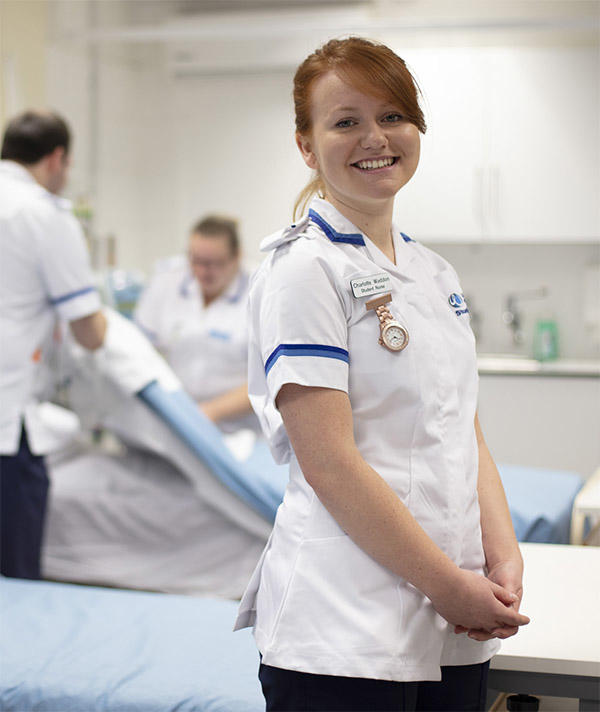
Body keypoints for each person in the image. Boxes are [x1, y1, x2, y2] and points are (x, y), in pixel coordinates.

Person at [234, 37, 529, 711]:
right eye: (345, 121)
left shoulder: (432, 273)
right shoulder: (303, 271)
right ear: (307, 146)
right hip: (345, 633)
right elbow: (330, 463)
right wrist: (451, 585)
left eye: (394, 115)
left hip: (453, 622)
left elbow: (464, 433)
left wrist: (502, 557)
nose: (376, 137)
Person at [0, 110, 107, 580]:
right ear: (57, 158)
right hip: (9, 421)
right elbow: (92, 332)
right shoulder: (43, 214)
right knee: (16, 585)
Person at [134, 215, 257, 432]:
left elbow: (269, 380)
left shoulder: (260, 293)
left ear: (237, 257)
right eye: (197, 261)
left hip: (243, 429)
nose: (203, 272)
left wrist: (209, 412)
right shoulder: (166, 284)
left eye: (214, 264)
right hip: (178, 420)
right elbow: (140, 353)